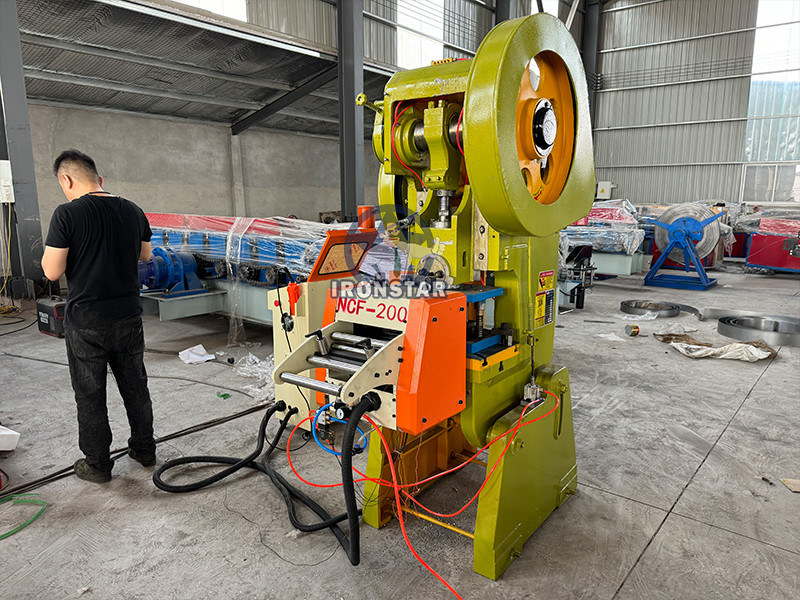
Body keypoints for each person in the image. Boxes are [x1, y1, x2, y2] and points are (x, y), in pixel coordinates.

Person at [42, 149, 156, 483]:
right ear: (99, 179)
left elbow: (51, 272)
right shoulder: (133, 210)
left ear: (66, 179)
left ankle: (98, 464)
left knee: (90, 395)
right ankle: (144, 450)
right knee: (135, 387)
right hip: (129, 316)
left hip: (87, 321)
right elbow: (145, 255)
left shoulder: (67, 214)